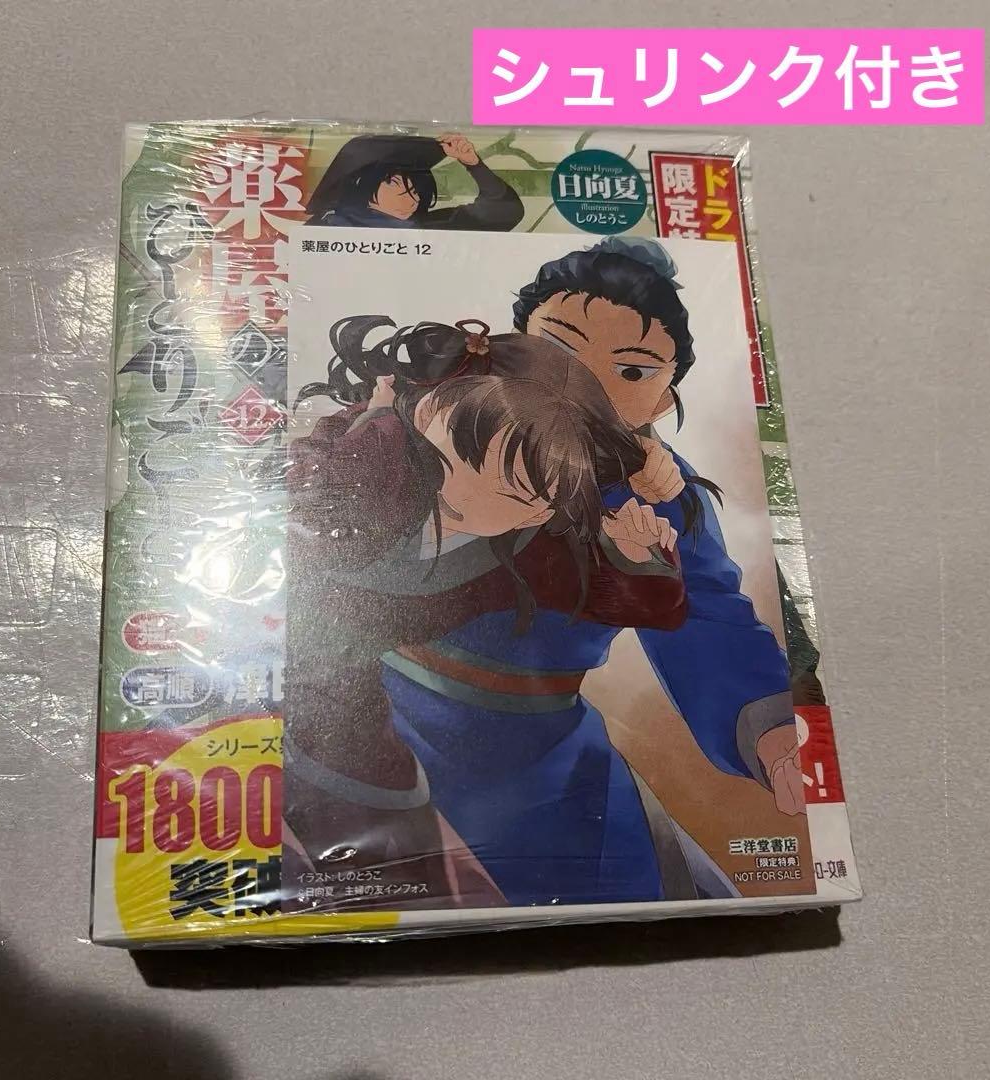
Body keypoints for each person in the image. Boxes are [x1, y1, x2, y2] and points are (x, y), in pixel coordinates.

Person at [381, 239, 807, 906]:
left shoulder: (660, 495)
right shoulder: (438, 415)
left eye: (632, 371)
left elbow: (705, 616)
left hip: (538, 758)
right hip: (373, 707)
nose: (584, 383)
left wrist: (772, 729)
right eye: (560, 349)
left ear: (662, 400)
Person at [281, 317, 686, 910]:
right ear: (425, 413)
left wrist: (633, 556)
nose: (467, 494)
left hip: (359, 691)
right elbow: (308, 495)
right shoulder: (382, 456)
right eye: (456, 460)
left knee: (379, 814)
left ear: (540, 509)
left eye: (513, 494)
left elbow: (632, 604)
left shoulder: (528, 542)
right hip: (294, 641)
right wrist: (381, 421)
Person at [304, 133, 523, 231]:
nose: (411, 200)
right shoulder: (327, 226)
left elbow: (504, 213)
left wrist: (473, 164)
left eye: (416, 191)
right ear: (361, 183)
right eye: (394, 184)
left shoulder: (429, 226)